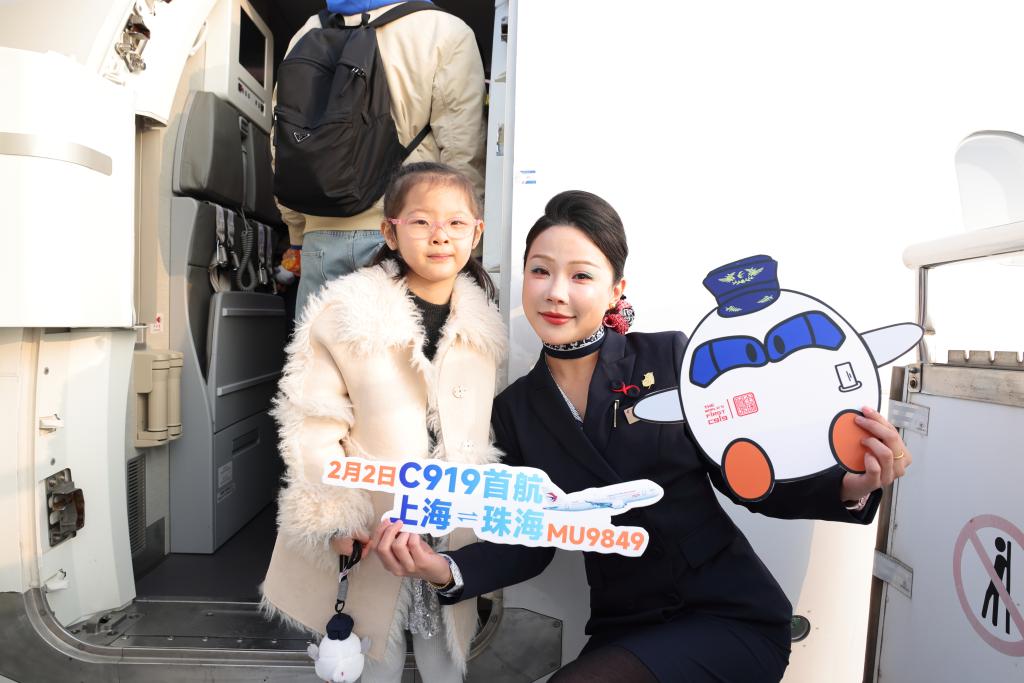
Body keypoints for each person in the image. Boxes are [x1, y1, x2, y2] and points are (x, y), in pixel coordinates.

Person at [367, 190, 914, 682]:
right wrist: (445, 571)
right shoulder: (516, 410)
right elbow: (531, 539)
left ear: (615, 291)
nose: (556, 292)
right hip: (623, 625)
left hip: (725, 611)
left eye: (581, 276)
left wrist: (853, 485)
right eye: (540, 271)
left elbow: (746, 478)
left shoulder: (671, 357)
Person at [260, 162, 506, 682]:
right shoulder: (345, 314)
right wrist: (335, 515)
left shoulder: (484, 325)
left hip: (447, 530)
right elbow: (311, 423)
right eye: (421, 221)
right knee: (374, 658)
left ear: (477, 232)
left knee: (446, 661)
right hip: (371, 528)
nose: (440, 235)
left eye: (456, 223)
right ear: (390, 232)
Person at [276, 0, 487, 320]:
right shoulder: (445, 30)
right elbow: (462, 152)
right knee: (404, 351)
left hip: (319, 240)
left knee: (318, 349)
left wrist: (297, 233)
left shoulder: (307, 32)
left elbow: (284, 144)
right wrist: (466, 240)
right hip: (406, 238)